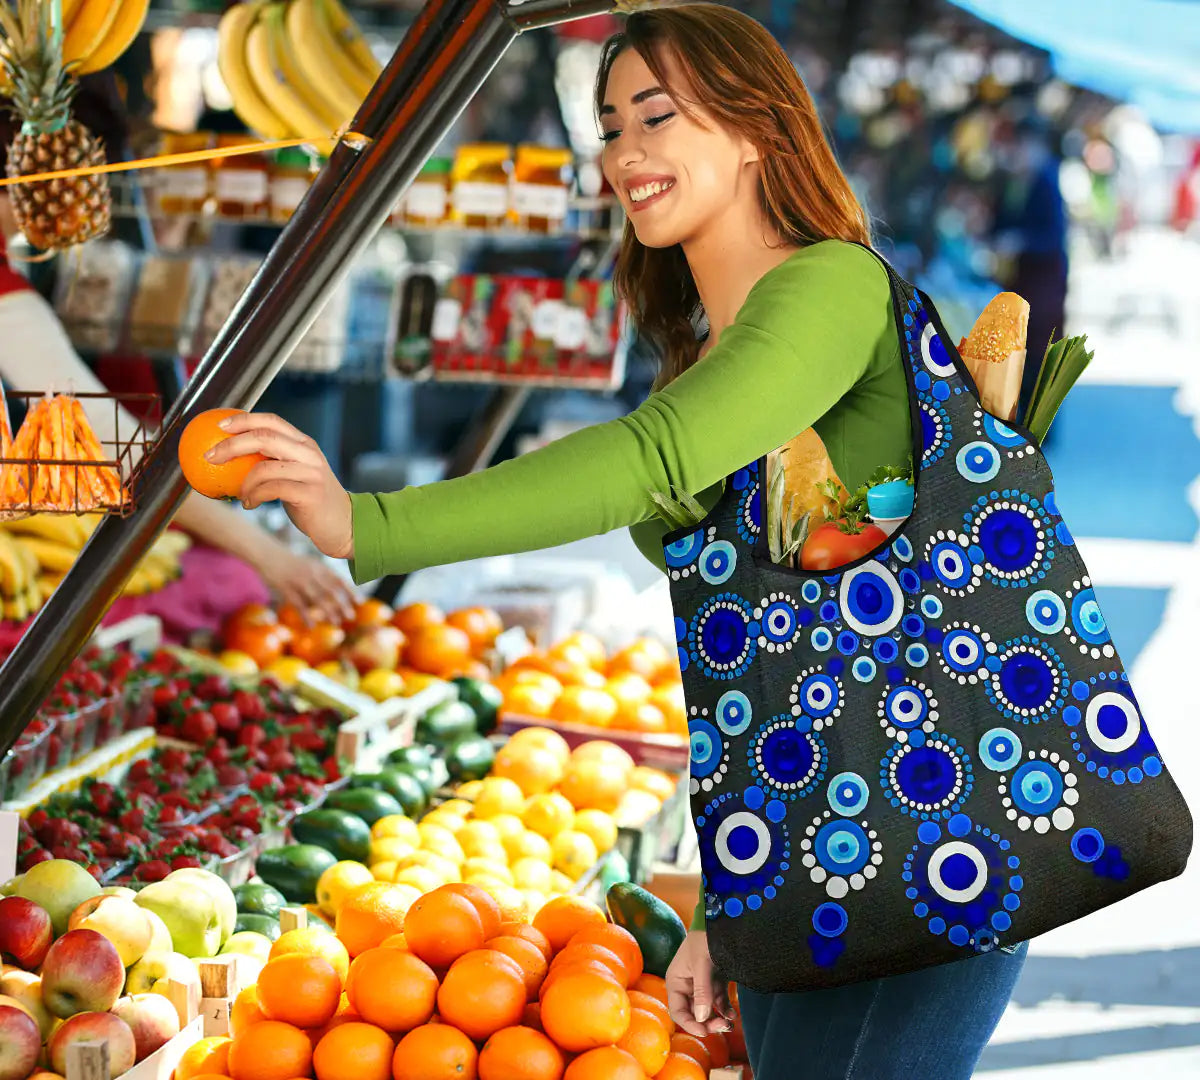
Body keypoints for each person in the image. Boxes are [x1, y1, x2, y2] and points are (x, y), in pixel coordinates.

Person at [207, 6, 1026, 1076]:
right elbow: (761, 672)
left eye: (656, 116)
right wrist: (722, 902)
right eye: (609, 125)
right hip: (804, 853)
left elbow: (647, 461)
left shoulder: (833, 288)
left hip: (935, 825)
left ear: (756, 130)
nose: (623, 151)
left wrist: (365, 521)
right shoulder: (708, 353)